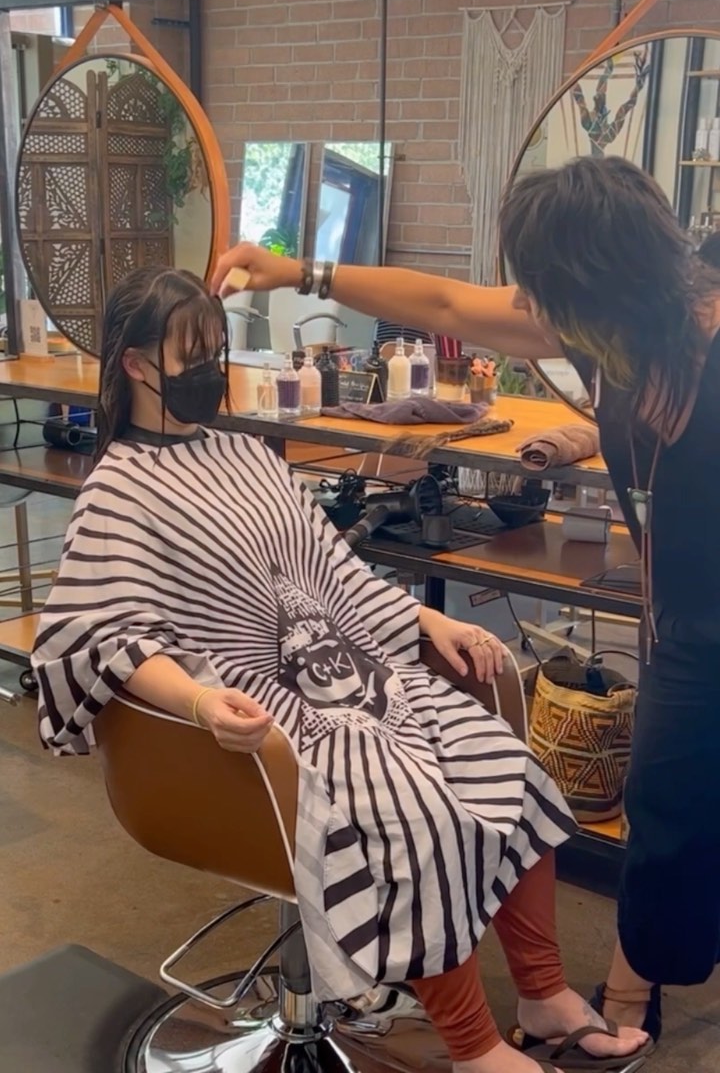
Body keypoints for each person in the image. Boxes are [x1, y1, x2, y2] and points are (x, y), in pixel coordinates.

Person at [33, 267, 647, 1073]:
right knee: (417, 810)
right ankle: (474, 1048)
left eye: (217, 350)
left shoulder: (246, 454)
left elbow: (334, 571)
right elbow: (99, 632)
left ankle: (543, 994)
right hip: (252, 717)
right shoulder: (117, 489)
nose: (210, 371)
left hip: (353, 678)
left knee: (511, 766)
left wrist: (427, 620)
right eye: (192, 356)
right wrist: (200, 702)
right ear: (137, 365)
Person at [213, 155, 720, 1049]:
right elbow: (445, 303)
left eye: (544, 291)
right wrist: (296, 270)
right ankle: (633, 987)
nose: (531, 309)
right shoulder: (601, 326)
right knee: (666, 803)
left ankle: (633, 987)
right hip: (682, 620)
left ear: (603, 280)